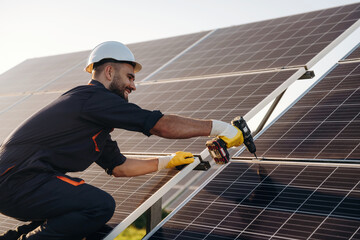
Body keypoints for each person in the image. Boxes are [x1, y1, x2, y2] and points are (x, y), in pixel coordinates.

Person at [0, 41, 244, 240]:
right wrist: (220, 128)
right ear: (108, 71)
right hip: (17, 179)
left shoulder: (93, 119)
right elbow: (160, 125)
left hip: (19, 183)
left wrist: (168, 161)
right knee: (98, 205)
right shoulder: (93, 98)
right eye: (129, 77)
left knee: (74, 210)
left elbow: (119, 167)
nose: (133, 85)